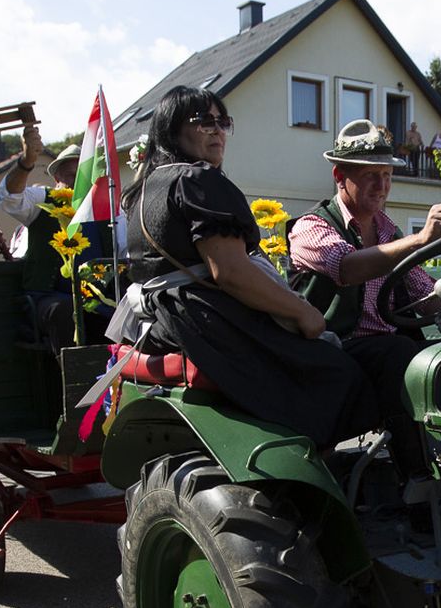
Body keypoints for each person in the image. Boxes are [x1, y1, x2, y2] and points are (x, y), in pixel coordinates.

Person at [118, 85, 374, 448]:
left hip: (166, 321)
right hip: (204, 319)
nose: (217, 131)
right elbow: (231, 273)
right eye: (204, 121)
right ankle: (333, 470)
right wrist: (303, 312)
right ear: (172, 128)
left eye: (223, 122)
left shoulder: (144, 188)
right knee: (339, 372)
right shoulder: (196, 180)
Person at [287, 119, 441, 476]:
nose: (381, 186)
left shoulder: (387, 230)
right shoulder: (312, 227)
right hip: (330, 348)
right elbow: (347, 267)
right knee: (398, 353)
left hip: (382, 349)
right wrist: (420, 239)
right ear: (340, 176)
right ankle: (418, 479)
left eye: (386, 175)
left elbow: (423, 290)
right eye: (370, 175)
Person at [0, 123, 89, 353]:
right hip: (45, 297)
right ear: (57, 178)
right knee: (64, 310)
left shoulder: (104, 208)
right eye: (71, 176)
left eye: (83, 176)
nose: (78, 183)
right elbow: (10, 197)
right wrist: (27, 160)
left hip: (91, 296)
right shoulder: (44, 199)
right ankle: (71, 372)